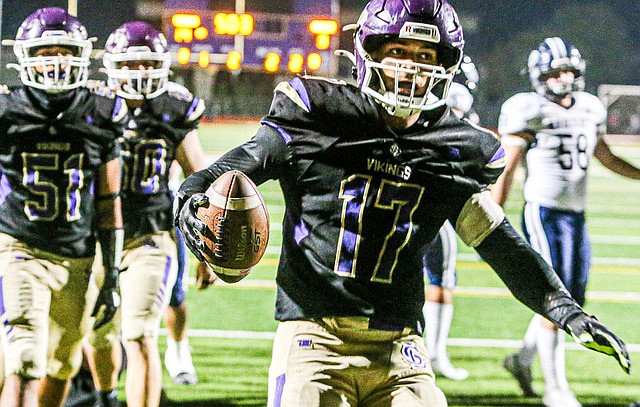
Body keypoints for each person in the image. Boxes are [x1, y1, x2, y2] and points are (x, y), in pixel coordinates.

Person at [175, 1, 630, 406]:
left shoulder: (450, 147)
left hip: (401, 348)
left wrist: (564, 309)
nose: (411, 68)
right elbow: (232, 168)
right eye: (399, 52)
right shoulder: (315, 114)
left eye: (425, 57)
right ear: (370, 53)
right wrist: (190, 198)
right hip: (314, 336)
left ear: (445, 65)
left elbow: (499, 242)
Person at [492, 37, 640, 407]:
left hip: (576, 215)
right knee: (557, 297)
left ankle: (521, 360)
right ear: (540, 75)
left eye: (569, 71)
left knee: (573, 297)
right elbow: (508, 165)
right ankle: (556, 388)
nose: (563, 77)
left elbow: (603, 154)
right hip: (543, 212)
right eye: (556, 71)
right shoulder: (528, 109)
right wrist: (492, 215)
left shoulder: (590, 108)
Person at [0, 7, 125, 407]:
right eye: (44, 51)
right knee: (24, 360)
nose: (54, 60)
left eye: (63, 50)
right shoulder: (7, 110)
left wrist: (112, 275)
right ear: (25, 57)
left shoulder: (101, 112)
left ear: (81, 55)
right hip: (21, 247)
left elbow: (109, 202)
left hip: (78, 258)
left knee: (62, 366)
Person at [83, 21, 208, 407]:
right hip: (96, 238)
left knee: (139, 333)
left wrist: (205, 247)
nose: (139, 71)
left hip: (149, 237)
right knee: (98, 333)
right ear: (114, 65)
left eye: (146, 62)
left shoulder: (173, 108)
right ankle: (105, 398)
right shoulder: (91, 106)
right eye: (131, 62)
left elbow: (200, 178)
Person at [422, 54, 479, 382]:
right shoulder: (454, 98)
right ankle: (435, 354)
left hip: (413, 196)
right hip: (435, 200)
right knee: (441, 277)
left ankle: (429, 353)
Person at [163, 164, 215, 386]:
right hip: (108, 209)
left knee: (175, 293)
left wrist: (206, 252)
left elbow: (200, 177)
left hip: (161, 211)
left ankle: (178, 351)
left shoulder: (169, 127)